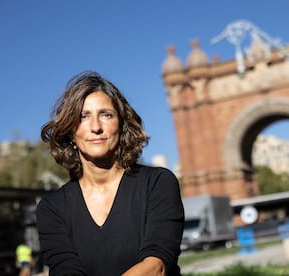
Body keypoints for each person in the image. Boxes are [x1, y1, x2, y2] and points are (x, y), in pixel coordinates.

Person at [36, 71, 184, 275]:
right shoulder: (52, 208)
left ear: (121, 125)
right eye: (83, 116)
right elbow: (65, 270)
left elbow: (157, 265)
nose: (96, 127)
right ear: (70, 131)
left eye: (106, 115)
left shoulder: (157, 183)